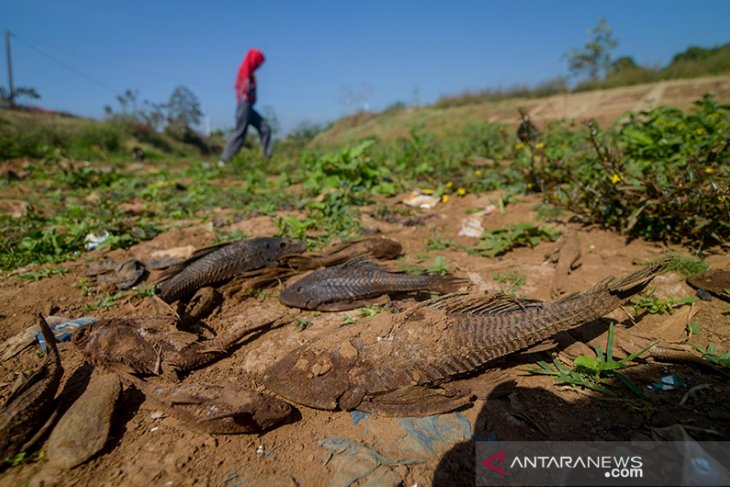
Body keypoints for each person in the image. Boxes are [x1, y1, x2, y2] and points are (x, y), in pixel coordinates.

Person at [218, 48, 273, 166]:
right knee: (240, 132)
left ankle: (267, 158)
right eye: (259, 62)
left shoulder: (251, 73)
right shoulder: (244, 70)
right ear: (254, 60)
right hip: (244, 106)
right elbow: (242, 89)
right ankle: (224, 160)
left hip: (249, 107)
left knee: (265, 128)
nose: (260, 66)